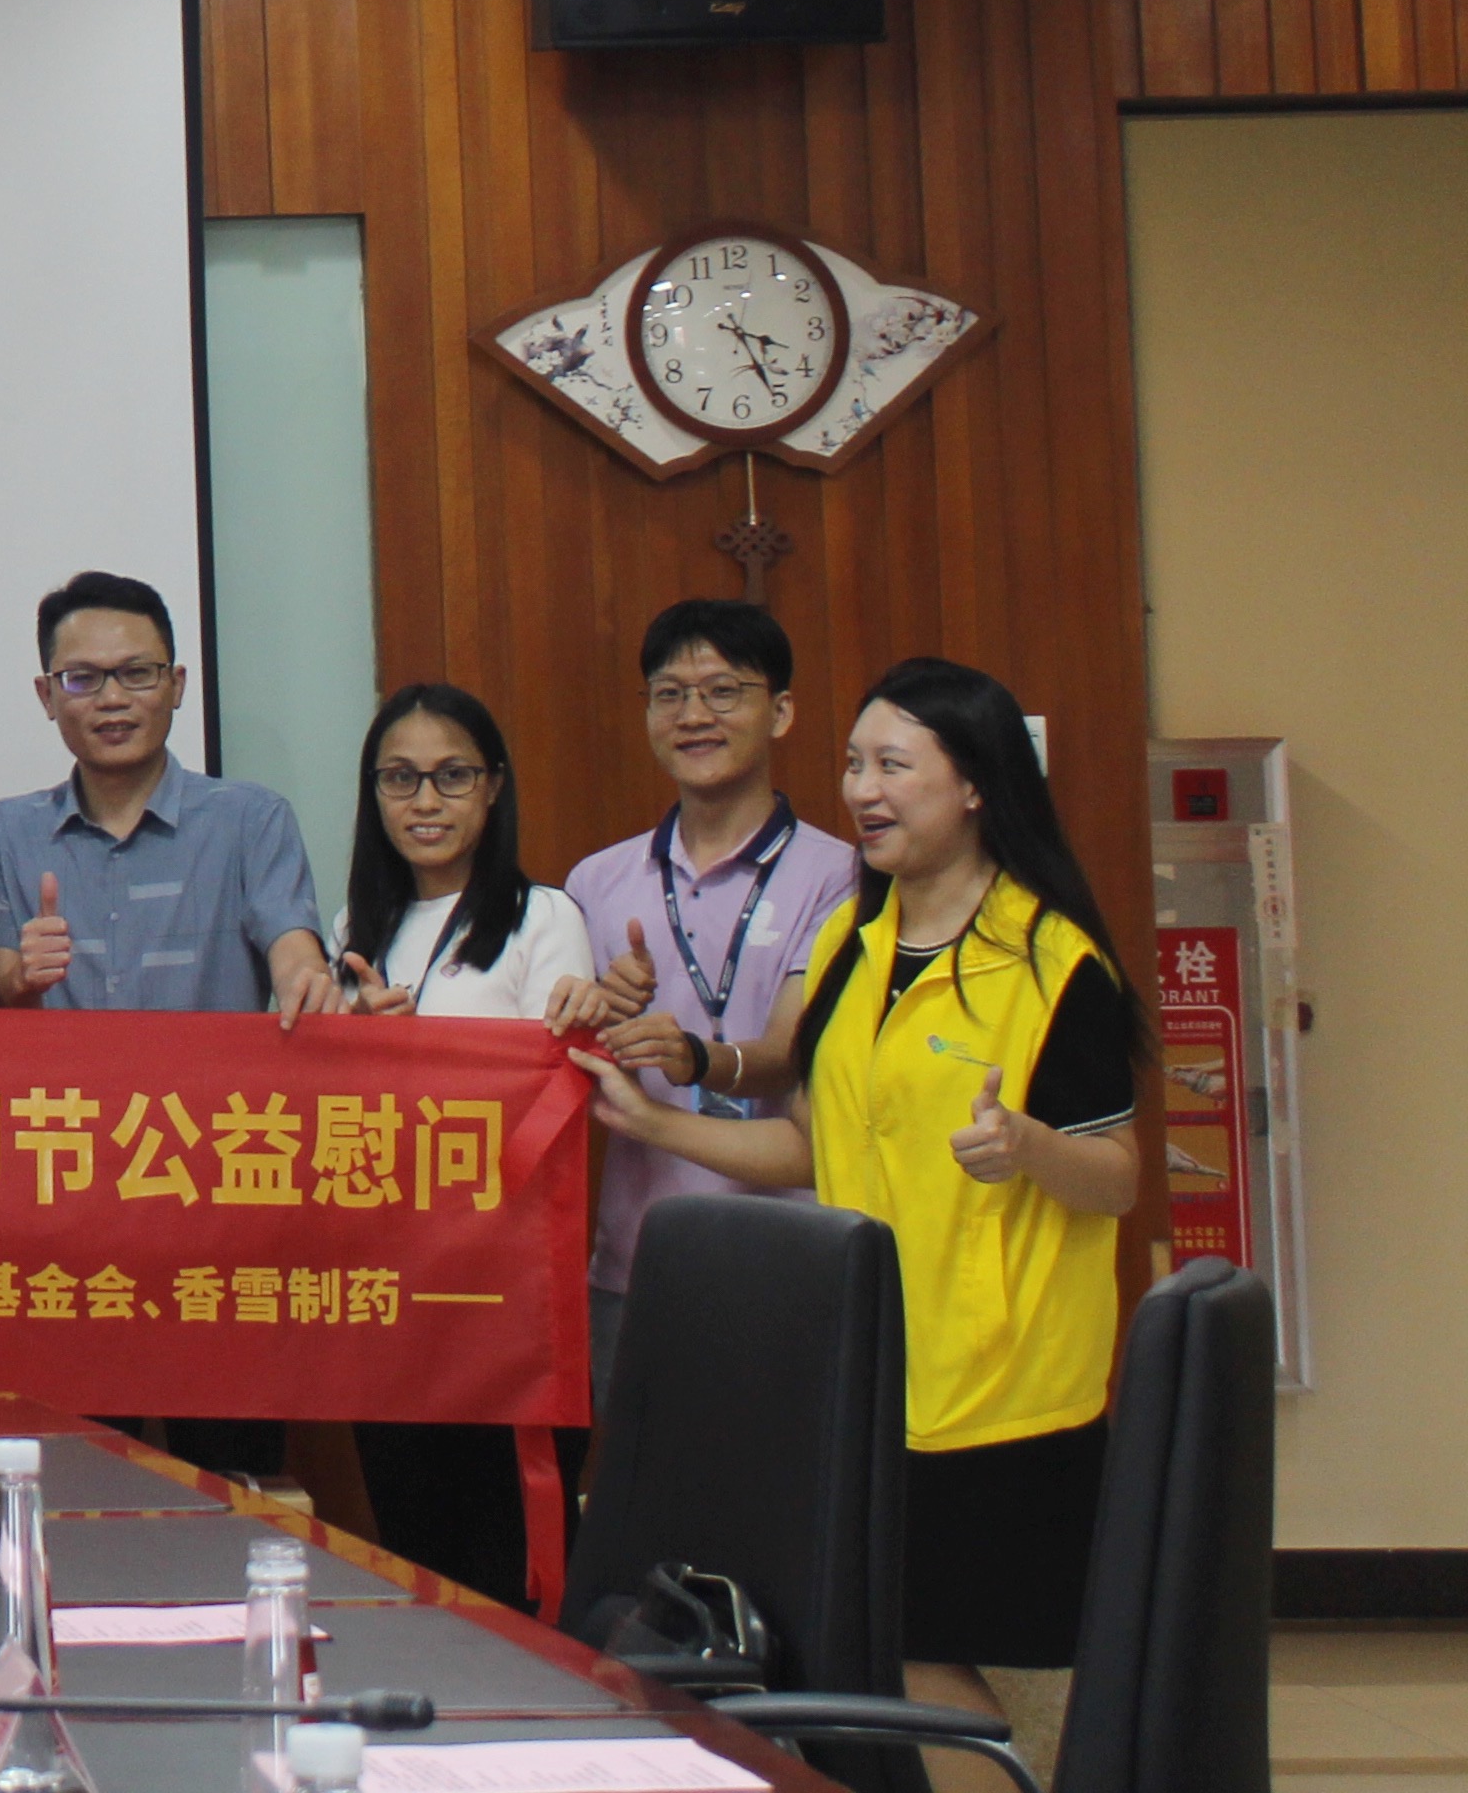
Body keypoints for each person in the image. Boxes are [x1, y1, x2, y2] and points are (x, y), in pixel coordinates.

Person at [570, 657, 1144, 1759]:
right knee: (870, 1666)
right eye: (852, 764)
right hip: (862, 1378)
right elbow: (812, 1146)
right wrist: (656, 1126)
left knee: (937, 1670)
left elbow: (1116, 1175)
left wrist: (1024, 1146)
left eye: (893, 766)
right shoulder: (850, 944)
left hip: (997, 1390)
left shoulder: (1052, 963)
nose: (862, 791)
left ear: (974, 785)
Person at [318, 681, 597, 1611]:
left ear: (494, 788)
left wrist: (416, 1065)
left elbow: (555, 1102)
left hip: (501, 1296)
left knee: (509, 1561)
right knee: (416, 1547)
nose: (425, 801)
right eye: (399, 779)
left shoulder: (543, 918)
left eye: (452, 776)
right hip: (387, 1290)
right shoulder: (354, 932)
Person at [562, 600, 855, 1411]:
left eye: (723, 691)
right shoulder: (596, 882)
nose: (694, 715)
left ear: (781, 711)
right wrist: (598, 1010)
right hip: (637, 1265)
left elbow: (790, 1053)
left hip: (793, 1260)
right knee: (644, 1488)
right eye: (670, 694)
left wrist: (695, 1057)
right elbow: (561, 1058)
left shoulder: (840, 877)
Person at [0, 570, 330, 1023]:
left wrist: (310, 983)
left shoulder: (252, 820)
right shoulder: (2, 835)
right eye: (82, 678)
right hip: (65, 1074)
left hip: (208, 1074)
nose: (112, 698)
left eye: (137, 673)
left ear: (176, 685)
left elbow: (296, 957)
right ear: (47, 696)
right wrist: (23, 980)